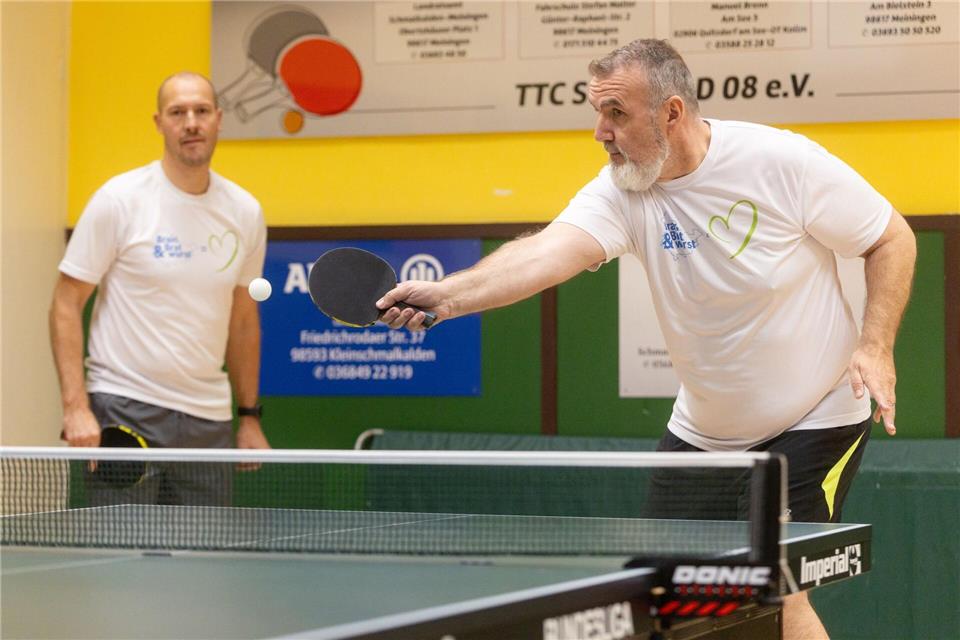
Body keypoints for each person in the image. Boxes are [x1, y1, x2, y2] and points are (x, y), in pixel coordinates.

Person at [376, 40, 916, 639]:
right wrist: (448, 297)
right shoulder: (622, 191)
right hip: (704, 433)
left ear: (672, 112)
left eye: (616, 114)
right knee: (663, 601)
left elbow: (890, 238)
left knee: (776, 591)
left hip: (815, 417)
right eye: (597, 113)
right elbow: (543, 254)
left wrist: (875, 344)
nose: (600, 132)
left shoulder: (782, 161)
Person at [50, 71, 271, 505]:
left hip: (207, 421)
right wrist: (76, 406)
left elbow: (243, 321)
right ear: (159, 122)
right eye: (178, 112)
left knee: (205, 565)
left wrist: (248, 417)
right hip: (125, 408)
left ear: (219, 119)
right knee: (118, 563)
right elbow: (65, 302)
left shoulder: (245, 211)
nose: (191, 122)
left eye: (201, 111)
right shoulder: (120, 199)